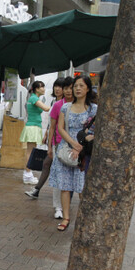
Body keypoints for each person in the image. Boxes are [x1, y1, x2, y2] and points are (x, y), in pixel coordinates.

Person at [48, 75, 98, 231]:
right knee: (64, 186)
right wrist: (73, 144)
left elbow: (97, 129)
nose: (77, 89)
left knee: (83, 186)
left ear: (88, 88)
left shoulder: (94, 109)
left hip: (84, 152)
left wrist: (82, 145)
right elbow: (60, 128)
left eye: (81, 86)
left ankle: (85, 219)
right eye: (75, 86)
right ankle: (66, 218)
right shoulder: (65, 107)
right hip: (66, 150)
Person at [25, 77, 74, 220]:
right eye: (60, 87)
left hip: (74, 146)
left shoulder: (80, 105)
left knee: (71, 176)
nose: (64, 90)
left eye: (67, 87)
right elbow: (52, 125)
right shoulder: (57, 104)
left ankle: (39, 190)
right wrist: (50, 142)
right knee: (55, 172)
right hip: (57, 143)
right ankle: (58, 206)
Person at [21, 80, 51, 185]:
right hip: (33, 126)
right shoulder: (34, 98)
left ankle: (28, 173)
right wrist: (57, 107)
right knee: (30, 151)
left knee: (30, 150)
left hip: (33, 126)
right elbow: (46, 108)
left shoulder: (33, 98)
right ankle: (27, 174)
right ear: (36, 89)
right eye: (41, 87)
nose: (43, 89)